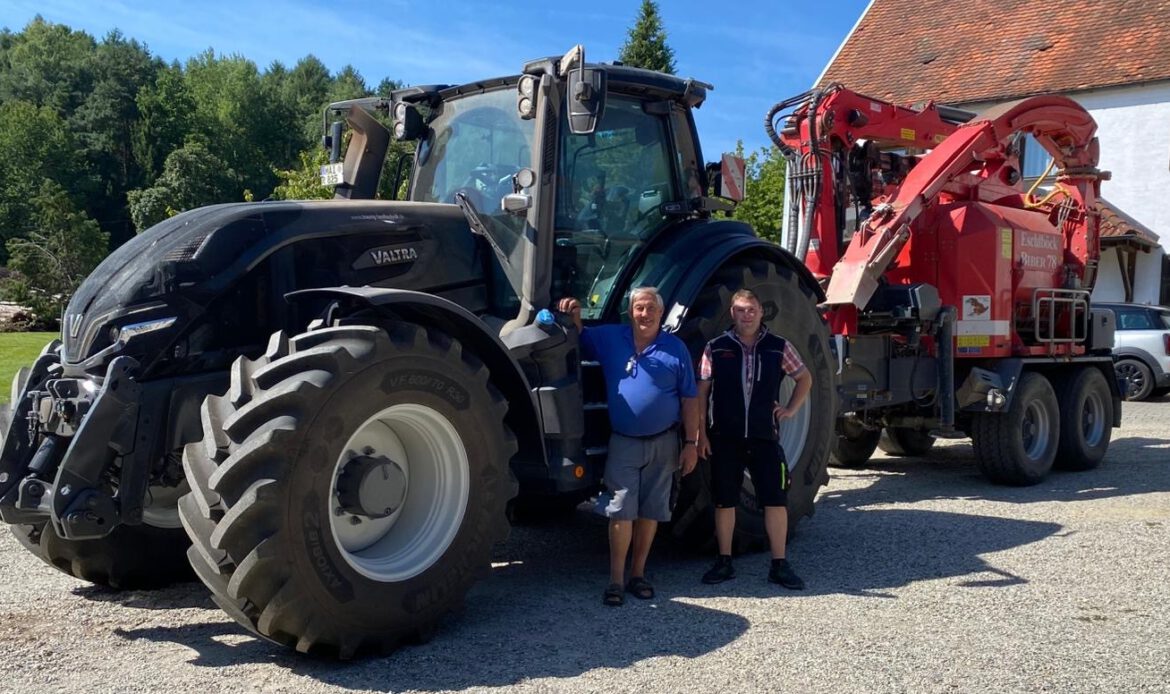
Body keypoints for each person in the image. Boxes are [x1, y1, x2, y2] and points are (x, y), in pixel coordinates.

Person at [558, 287, 701, 607]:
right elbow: (581, 335)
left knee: (651, 511)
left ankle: (638, 574)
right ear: (630, 311)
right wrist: (574, 314)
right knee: (620, 511)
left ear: (660, 314)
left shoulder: (675, 349)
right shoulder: (611, 338)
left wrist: (691, 443)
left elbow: (690, 399)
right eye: (639, 308)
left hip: (664, 442)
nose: (645, 314)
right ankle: (615, 580)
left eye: (651, 308)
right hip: (624, 442)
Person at [696, 288, 812, 589]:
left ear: (761, 312)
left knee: (775, 500)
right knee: (725, 500)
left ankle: (779, 564)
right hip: (725, 436)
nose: (745, 315)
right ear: (731, 313)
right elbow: (702, 392)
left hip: (764, 437)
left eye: (751, 310)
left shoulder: (778, 346)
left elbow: (805, 377)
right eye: (739, 310)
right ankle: (724, 562)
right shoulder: (716, 347)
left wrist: (790, 409)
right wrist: (699, 434)